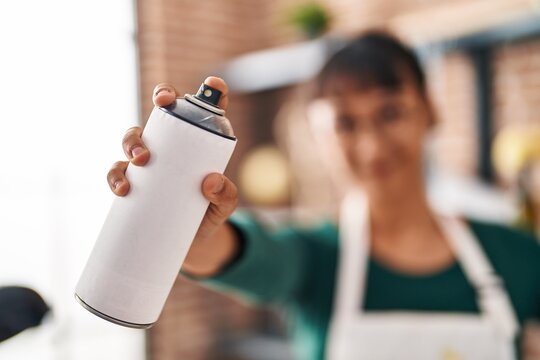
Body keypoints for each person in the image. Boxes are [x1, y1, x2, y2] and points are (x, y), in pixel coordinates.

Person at [108, 32, 540, 360]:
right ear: (318, 135)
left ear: (430, 110)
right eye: (346, 124)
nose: (371, 147)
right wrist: (180, 215)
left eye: (390, 113)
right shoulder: (313, 255)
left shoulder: (518, 255)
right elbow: (228, 250)